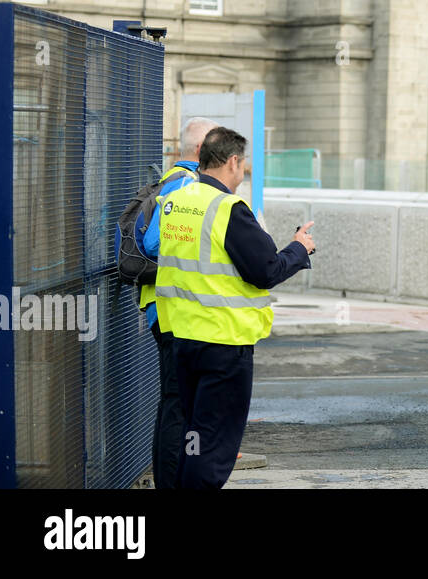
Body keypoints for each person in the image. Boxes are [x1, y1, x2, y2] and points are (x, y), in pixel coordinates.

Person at [152, 127, 315, 489]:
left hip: (182, 337)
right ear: (233, 161)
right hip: (224, 343)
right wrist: (299, 248)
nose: (243, 175)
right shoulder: (228, 209)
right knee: (212, 445)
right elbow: (266, 270)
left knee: (192, 436)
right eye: (244, 167)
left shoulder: (177, 201)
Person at [135, 116, 217, 489]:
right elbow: (154, 244)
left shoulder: (173, 181)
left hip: (165, 307)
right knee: (177, 405)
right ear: (201, 150)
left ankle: (172, 479)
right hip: (172, 311)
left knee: (174, 403)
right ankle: (171, 483)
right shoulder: (186, 185)